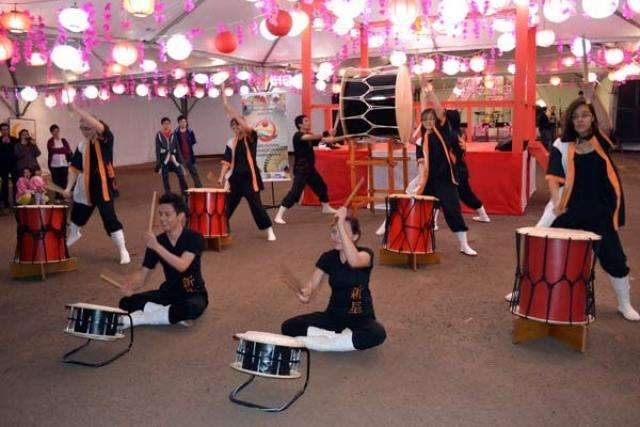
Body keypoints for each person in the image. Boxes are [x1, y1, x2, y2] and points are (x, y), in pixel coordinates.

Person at [544, 89, 638, 321]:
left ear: (592, 117)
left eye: (585, 115)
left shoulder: (600, 141)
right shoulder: (563, 145)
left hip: (602, 212)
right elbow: (553, 177)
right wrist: (556, 203)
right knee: (547, 250)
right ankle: (528, 291)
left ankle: (624, 303)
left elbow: (606, 122)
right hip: (573, 210)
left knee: (614, 259)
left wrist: (593, 95)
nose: (580, 120)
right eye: (575, 117)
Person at [281, 207, 386, 351]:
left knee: (377, 333)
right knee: (289, 326)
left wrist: (341, 222)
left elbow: (354, 261)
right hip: (333, 316)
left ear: (355, 237)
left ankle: (326, 341)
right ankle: (340, 341)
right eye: (334, 232)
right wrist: (306, 293)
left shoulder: (365, 254)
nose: (336, 237)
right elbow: (312, 285)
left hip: (360, 318)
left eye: (342, 232)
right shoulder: (328, 257)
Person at [119, 192, 208, 328]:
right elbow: (143, 275)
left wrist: (156, 247)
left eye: (167, 214)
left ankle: (139, 319)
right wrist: (131, 285)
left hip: (192, 294)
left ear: (180, 216)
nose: (162, 219)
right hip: (168, 293)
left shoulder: (194, 237)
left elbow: (182, 265)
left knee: (191, 309)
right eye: (160, 214)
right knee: (126, 302)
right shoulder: (158, 241)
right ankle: (170, 316)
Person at [62, 101, 130, 264]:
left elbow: (99, 127)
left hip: (103, 187)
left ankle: (123, 249)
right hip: (84, 188)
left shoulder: (106, 139)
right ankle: (73, 234)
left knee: (109, 218)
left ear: (94, 126)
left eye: (87, 128)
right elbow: (74, 168)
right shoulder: (82, 145)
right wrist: (67, 188)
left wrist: (77, 109)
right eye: (81, 128)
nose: (83, 132)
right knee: (77, 216)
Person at [416, 78, 477, 256]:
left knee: (452, 210)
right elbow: (420, 155)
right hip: (427, 181)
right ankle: (421, 242)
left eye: (431, 119)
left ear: (436, 120)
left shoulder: (441, 130)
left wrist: (428, 90)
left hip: (445, 180)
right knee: (421, 211)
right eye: (425, 120)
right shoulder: (422, 136)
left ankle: (463, 244)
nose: (428, 122)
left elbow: (437, 108)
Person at [218, 87, 276, 241]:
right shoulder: (232, 142)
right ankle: (222, 228)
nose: (237, 128)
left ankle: (269, 229)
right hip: (236, 179)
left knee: (256, 206)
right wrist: (222, 177)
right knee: (227, 207)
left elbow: (241, 123)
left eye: (239, 125)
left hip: (250, 179)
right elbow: (227, 161)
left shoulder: (251, 136)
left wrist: (229, 107)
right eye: (234, 126)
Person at [274, 115, 345, 224]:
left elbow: (327, 140)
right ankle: (279, 215)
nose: (309, 122)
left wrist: (344, 136)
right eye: (306, 121)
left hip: (310, 169)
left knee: (321, 187)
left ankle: (325, 207)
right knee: (295, 193)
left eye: (308, 120)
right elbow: (312, 137)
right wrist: (326, 132)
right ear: (300, 125)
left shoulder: (310, 136)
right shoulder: (298, 136)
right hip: (301, 170)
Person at [445, 109, 491, 223]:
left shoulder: (450, 135)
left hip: (454, 170)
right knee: (465, 194)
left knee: (443, 194)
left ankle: (434, 222)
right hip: (461, 168)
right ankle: (483, 215)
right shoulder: (460, 132)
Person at [155, 117, 188, 195]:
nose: (166, 125)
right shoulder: (159, 135)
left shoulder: (173, 134)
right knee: (165, 177)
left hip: (173, 160)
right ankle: (168, 193)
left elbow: (177, 148)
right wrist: (159, 164)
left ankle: (185, 192)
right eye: (164, 124)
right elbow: (157, 150)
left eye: (168, 124)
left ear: (170, 125)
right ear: (162, 125)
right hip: (164, 161)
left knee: (181, 174)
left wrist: (180, 162)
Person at [174, 115, 203, 188]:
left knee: (194, 173)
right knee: (181, 175)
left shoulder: (190, 131)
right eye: (181, 122)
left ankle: (199, 188)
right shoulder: (175, 133)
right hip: (180, 158)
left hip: (190, 156)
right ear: (178, 123)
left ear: (186, 122)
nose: (183, 123)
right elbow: (175, 145)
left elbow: (193, 142)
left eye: (184, 121)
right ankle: (184, 191)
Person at [47, 124, 72, 202]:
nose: (56, 133)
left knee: (64, 181)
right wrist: (62, 149)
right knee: (56, 181)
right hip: (54, 165)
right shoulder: (50, 141)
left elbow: (67, 150)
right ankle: (58, 197)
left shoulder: (63, 140)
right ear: (51, 132)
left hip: (64, 164)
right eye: (54, 131)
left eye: (57, 131)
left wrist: (57, 150)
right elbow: (51, 150)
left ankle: (65, 196)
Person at [0, 123, 17, 208]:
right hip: (3, 165)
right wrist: (2, 143)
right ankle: (6, 202)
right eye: (3, 129)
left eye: (6, 129)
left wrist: (9, 143)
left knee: (15, 183)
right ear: (1, 131)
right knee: (4, 184)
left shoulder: (14, 139)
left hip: (13, 165)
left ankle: (15, 201)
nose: (5, 131)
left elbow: (17, 151)